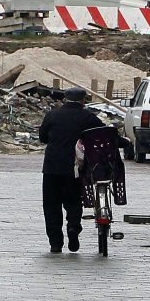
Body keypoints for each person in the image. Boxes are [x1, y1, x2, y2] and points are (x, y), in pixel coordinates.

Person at [38, 86, 103, 253]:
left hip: (51, 167)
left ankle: (55, 243)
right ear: (83, 101)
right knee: (73, 201)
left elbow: (42, 137)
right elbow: (104, 135)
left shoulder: (52, 115)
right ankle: (73, 227)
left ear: (65, 99)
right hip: (75, 168)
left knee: (51, 205)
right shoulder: (88, 117)